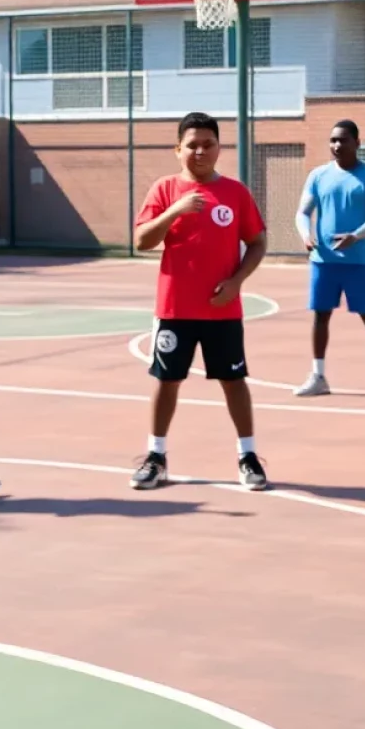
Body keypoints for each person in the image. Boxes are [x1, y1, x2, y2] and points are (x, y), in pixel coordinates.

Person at [131, 112, 268, 491]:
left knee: (233, 380)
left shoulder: (235, 193)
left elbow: (257, 243)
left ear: (219, 148)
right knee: (166, 380)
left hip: (222, 310)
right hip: (175, 309)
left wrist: (237, 282)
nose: (200, 151)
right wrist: (175, 210)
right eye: (192, 144)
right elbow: (141, 240)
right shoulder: (164, 189)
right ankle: (156, 456)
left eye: (208, 144)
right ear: (178, 150)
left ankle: (248, 455)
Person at [293, 119, 365, 399]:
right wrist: (306, 234)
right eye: (333, 140)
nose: (337, 145)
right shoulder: (318, 175)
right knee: (321, 316)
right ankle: (318, 375)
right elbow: (302, 212)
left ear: (357, 143)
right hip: (323, 261)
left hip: (358, 262)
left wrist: (356, 236)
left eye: (343, 140)